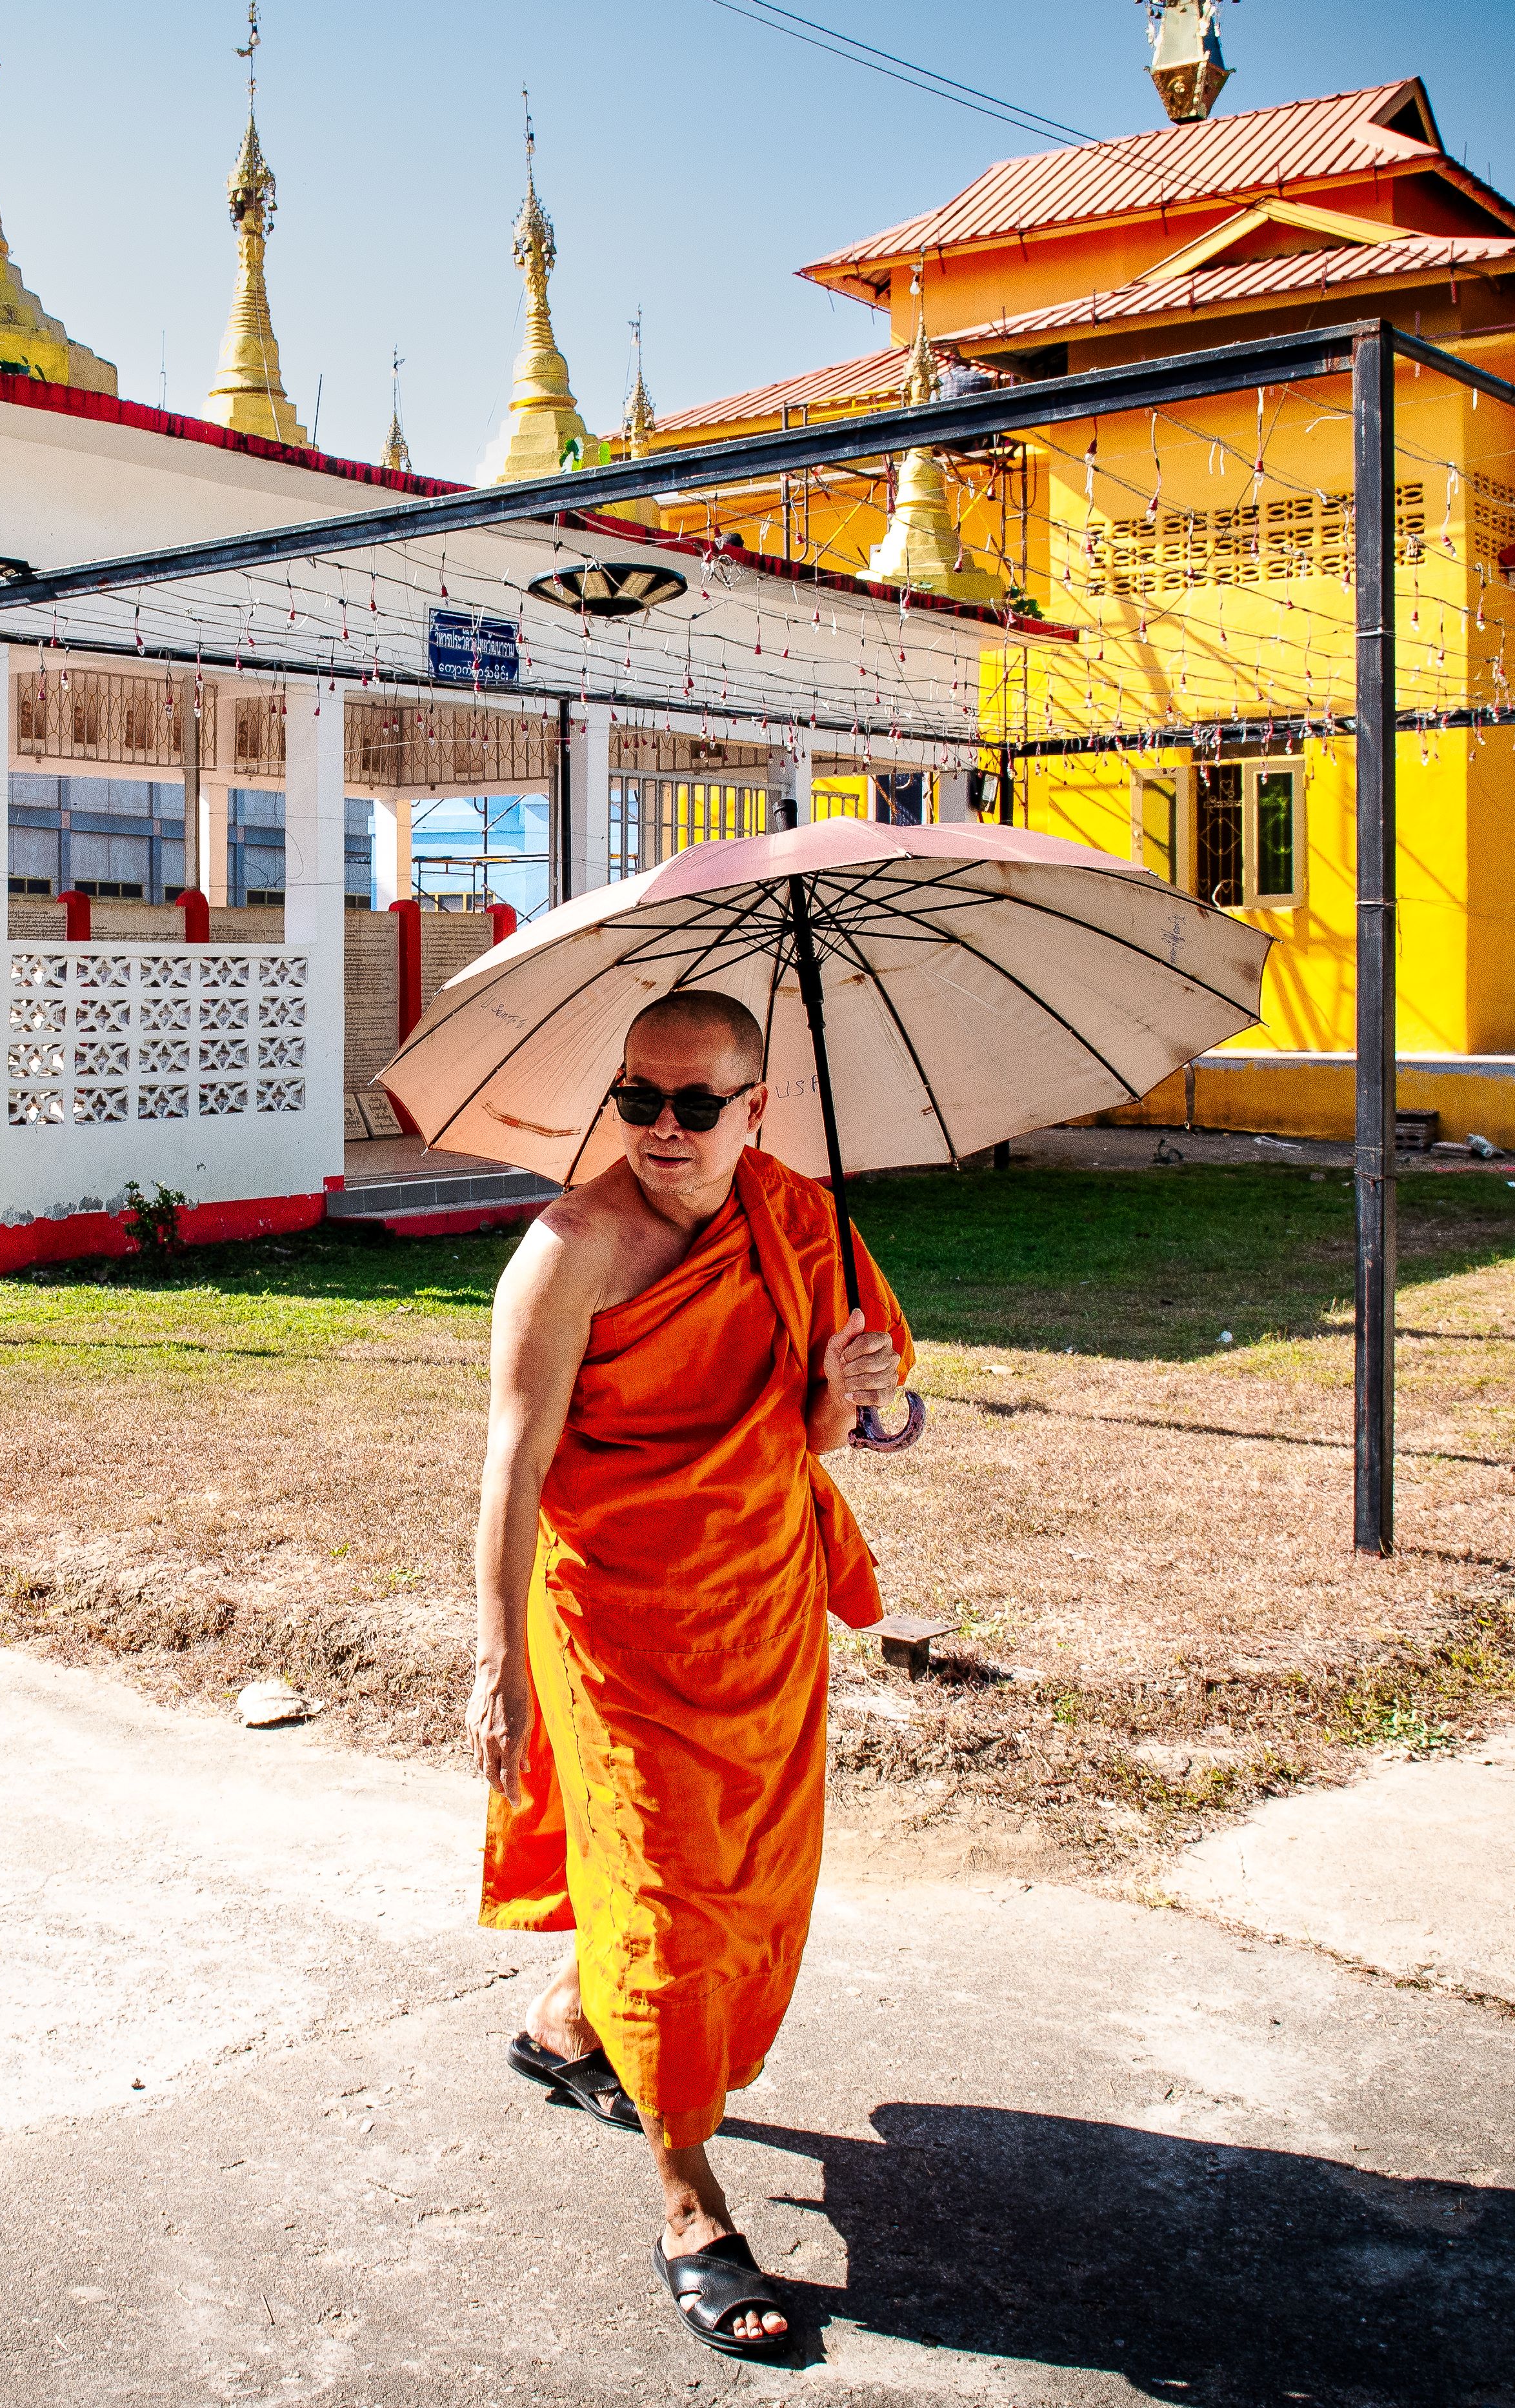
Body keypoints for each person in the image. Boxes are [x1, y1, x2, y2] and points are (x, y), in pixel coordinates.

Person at [472, 986, 914, 2362]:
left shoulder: (801, 1221)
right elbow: (513, 1462)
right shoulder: (570, 1249)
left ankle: (568, 2021)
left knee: (744, 1882)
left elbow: (829, 1435)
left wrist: (848, 1386)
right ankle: (690, 2206)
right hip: (618, 1625)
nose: (663, 1127)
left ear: (756, 1107)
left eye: (697, 1102)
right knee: (668, 1902)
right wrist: (497, 1658)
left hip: (760, 1610)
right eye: (639, 1099)